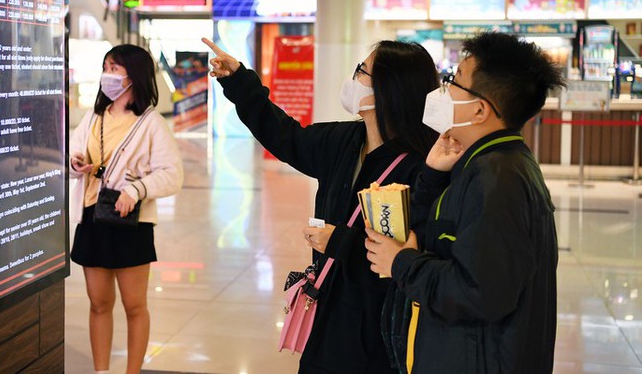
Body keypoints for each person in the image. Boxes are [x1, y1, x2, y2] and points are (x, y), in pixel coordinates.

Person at [203, 37, 439, 373]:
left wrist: (339, 242)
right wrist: (239, 80)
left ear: (387, 91)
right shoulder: (343, 141)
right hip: (327, 308)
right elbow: (284, 135)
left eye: (362, 71)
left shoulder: (420, 167)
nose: (353, 78)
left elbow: (410, 253)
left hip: (376, 325)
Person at [365, 32, 564, 373]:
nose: (444, 89)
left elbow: (479, 293)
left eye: (453, 81)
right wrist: (432, 176)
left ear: (480, 109)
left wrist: (402, 264)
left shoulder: (497, 179)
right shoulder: (487, 163)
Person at [69, 44, 183, 374]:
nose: (108, 74)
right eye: (106, 65)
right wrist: (77, 164)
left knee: (134, 306)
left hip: (131, 223)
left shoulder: (151, 124)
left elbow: (172, 174)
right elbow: (75, 150)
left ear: (134, 76)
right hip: (93, 217)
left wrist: (137, 188)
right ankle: (101, 370)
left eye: (115, 68)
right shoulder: (93, 118)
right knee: (98, 303)